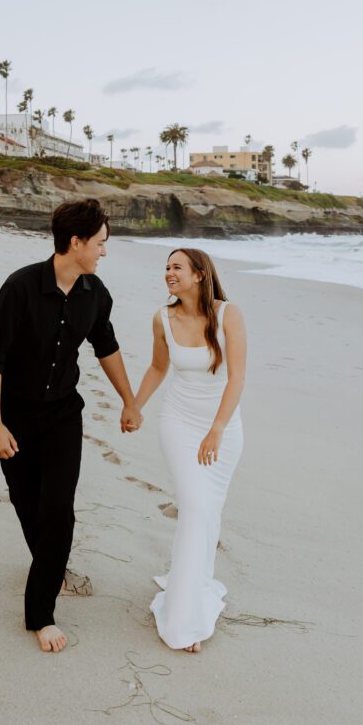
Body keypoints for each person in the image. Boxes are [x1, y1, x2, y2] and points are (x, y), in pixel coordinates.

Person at [0, 198, 142, 653]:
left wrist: (129, 400)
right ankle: (51, 564)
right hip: (15, 414)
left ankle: (41, 612)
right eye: (101, 243)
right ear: (76, 242)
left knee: (59, 510)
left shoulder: (96, 293)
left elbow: (105, 346)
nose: (104, 252)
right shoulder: (21, 287)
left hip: (63, 414)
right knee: (27, 502)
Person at [134, 248, 246, 652]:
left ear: (199, 274)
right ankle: (183, 617)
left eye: (176, 267)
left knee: (208, 512)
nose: (168, 273)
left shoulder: (229, 314)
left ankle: (194, 586)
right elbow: (158, 368)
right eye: (165, 267)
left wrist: (217, 429)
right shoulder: (162, 318)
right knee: (195, 509)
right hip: (179, 424)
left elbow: (237, 377)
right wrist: (134, 404)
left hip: (223, 429)